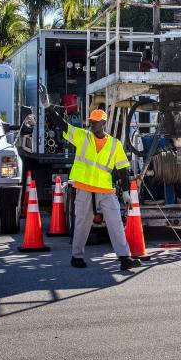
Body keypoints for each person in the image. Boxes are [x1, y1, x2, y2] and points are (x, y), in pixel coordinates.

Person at [63, 109, 142, 270]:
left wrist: (126, 192)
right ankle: (76, 256)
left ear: (104, 123)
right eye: (91, 120)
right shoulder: (83, 136)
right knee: (82, 224)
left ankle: (124, 258)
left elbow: (123, 169)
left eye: (96, 121)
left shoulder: (115, 144)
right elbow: (64, 127)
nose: (92, 123)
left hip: (105, 190)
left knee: (115, 222)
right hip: (84, 188)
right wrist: (49, 108)